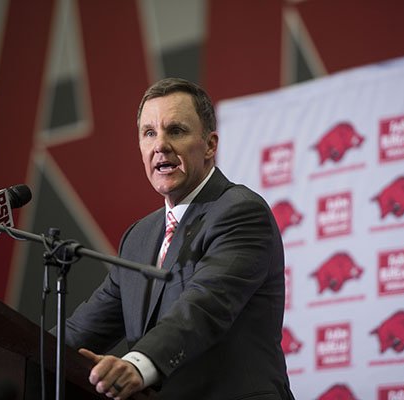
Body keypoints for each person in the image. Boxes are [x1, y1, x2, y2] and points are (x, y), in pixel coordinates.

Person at [63, 78, 295, 400]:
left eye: (176, 130)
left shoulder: (240, 212)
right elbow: (83, 331)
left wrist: (137, 365)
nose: (160, 145)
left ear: (210, 145)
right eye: (149, 133)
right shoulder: (139, 238)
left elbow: (203, 307)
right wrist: (17, 354)